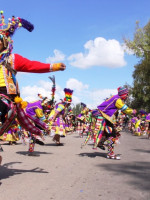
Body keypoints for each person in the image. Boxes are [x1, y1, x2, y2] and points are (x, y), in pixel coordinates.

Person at [0, 12, 66, 156]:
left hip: (5, 98)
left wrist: (52, 66)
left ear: (4, 41)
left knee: (2, 106)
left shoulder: (12, 59)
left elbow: (32, 65)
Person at [92, 86, 136, 160]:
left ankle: (101, 143)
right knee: (111, 134)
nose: (127, 96)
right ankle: (110, 153)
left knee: (111, 133)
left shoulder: (115, 97)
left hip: (104, 116)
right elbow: (125, 108)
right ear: (123, 94)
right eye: (127, 94)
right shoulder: (118, 100)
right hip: (103, 116)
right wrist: (132, 111)